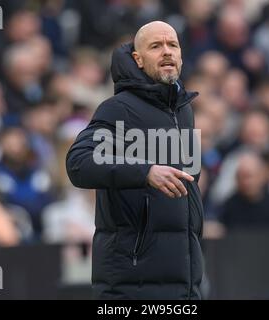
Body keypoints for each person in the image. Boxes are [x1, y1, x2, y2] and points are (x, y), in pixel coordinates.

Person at [66, 21, 204, 300]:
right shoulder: (119, 109)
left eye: (172, 45)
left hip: (184, 285)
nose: (167, 52)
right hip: (131, 287)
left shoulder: (184, 110)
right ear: (137, 60)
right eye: (156, 46)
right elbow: (78, 162)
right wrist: (144, 172)